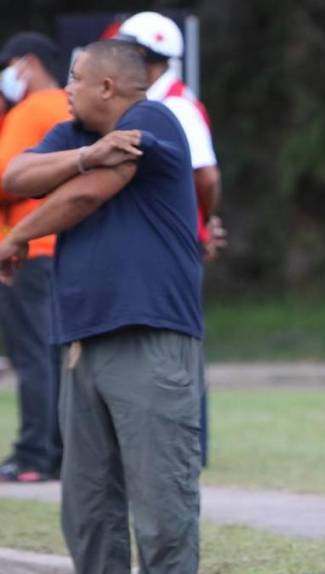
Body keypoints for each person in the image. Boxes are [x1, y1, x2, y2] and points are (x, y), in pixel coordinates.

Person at [1, 39, 203, 573]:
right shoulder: (78, 135)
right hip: (82, 342)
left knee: (162, 509)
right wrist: (86, 152)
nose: (65, 89)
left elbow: (84, 194)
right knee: (88, 512)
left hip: (148, 335)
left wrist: (16, 236)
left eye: (74, 78)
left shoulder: (153, 119)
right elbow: (15, 176)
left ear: (107, 86)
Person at [117, 11, 224, 468]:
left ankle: (188, 446)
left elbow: (207, 176)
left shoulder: (177, 105)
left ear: (142, 55)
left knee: (177, 344)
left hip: (173, 244)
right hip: (159, 242)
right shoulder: (161, 101)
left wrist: (199, 221)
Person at [0, 32, 70, 483]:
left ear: (26, 64)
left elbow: (7, 178)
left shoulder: (30, 111)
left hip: (24, 250)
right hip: (64, 246)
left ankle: (33, 454)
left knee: (32, 355)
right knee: (57, 352)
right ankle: (63, 450)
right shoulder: (70, 106)